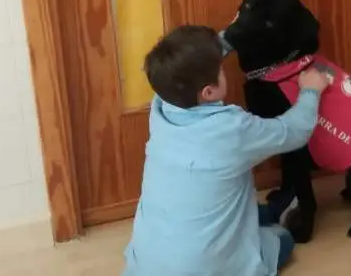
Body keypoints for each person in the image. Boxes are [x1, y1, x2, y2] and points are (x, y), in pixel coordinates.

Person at [122, 25, 330, 276]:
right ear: (208, 92)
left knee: (253, 215)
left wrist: (234, 34)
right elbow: (294, 131)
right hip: (202, 268)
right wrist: (311, 90)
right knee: (282, 238)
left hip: (147, 266)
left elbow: (189, 63)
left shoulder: (162, 106)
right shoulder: (231, 129)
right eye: (220, 69)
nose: (224, 69)